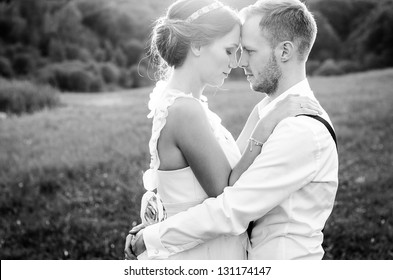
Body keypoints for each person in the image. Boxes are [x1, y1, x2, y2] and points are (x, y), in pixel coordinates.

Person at [125, 0, 328, 260]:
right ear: (197, 45)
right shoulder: (186, 111)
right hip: (200, 256)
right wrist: (265, 125)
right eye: (230, 50)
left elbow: (230, 165)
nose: (236, 62)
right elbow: (227, 191)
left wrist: (262, 111)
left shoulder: (189, 105)